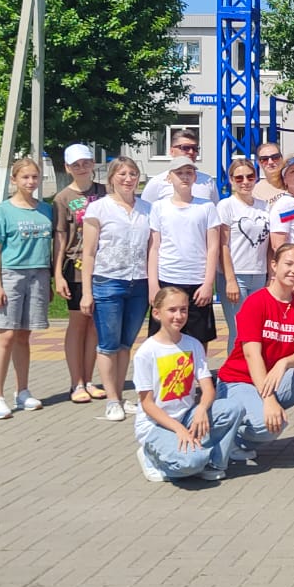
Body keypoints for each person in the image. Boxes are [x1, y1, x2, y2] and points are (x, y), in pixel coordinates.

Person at [216, 243, 294, 466]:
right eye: (288, 264)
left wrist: (284, 362)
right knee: (269, 426)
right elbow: (252, 355)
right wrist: (269, 399)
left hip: (274, 376)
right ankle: (229, 436)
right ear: (274, 265)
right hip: (239, 380)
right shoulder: (256, 302)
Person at [132, 287, 244, 483]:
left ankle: (214, 463)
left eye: (183, 310)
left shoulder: (193, 344)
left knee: (232, 407)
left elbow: (208, 388)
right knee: (191, 463)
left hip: (187, 415)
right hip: (157, 425)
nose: (179, 316)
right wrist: (178, 429)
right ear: (157, 313)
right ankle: (152, 456)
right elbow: (147, 404)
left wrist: (201, 408)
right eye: (172, 310)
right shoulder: (146, 352)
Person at [80, 157, 151, 422]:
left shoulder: (147, 209)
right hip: (108, 280)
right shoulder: (98, 209)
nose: (128, 178)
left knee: (125, 344)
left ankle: (120, 395)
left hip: (139, 283)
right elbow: (88, 253)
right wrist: (87, 291)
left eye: (132, 173)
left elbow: (152, 248)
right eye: (122, 174)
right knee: (108, 344)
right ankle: (111, 400)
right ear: (111, 178)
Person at [0, 158, 53, 420]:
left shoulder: (45, 209)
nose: (30, 182)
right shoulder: (3, 210)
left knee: (25, 336)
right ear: (14, 180)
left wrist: (48, 281)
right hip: (11, 275)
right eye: (25, 177)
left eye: (35, 177)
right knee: (6, 336)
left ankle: (22, 391)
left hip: (38, 274)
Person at [53, 143, 107, 404]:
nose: (82, 168)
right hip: (75, 268)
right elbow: (61, 238)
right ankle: (76, 382)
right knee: (78, 323)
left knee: (95, 326)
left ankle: (89, 378)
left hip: (103, 266)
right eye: (76, 165)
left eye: (85, 162)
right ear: (67, 168)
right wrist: (58, 274)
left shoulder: (104, 192)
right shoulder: (62, 198)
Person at [146, 157, 219, 346]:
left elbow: (213, 247)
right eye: (179, 173)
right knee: (165, 335)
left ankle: (197, 374)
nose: (184, 177)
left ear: (195, 177)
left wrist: (208, 284)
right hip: (168, 278)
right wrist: (153, 284)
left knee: (199, 337)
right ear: (169, 178)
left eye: (189, 173)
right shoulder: (159, 207)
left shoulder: (206, 206)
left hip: (197, 281)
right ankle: (167, 375)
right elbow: (154, 247)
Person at [217, 157, 270, 354]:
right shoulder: (226, 206)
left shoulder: (265, 206)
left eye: (250, 176)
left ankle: (254, 373)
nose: (245, 182)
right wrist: (230, 279)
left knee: (257, 331)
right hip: (235, 275)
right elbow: (223, 245)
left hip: (259, 274)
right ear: (231, 180)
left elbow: (270, 242)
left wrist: (270, 276)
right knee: (240, 331)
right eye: (239, 178)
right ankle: (232, 377)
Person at [140, 130, 219, 203]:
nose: (191, 152)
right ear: (172, 151)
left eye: (195, 148)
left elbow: (214, 211)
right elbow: (146, 212)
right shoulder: (157, 182)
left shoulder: (208, 181)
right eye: (185, 148)